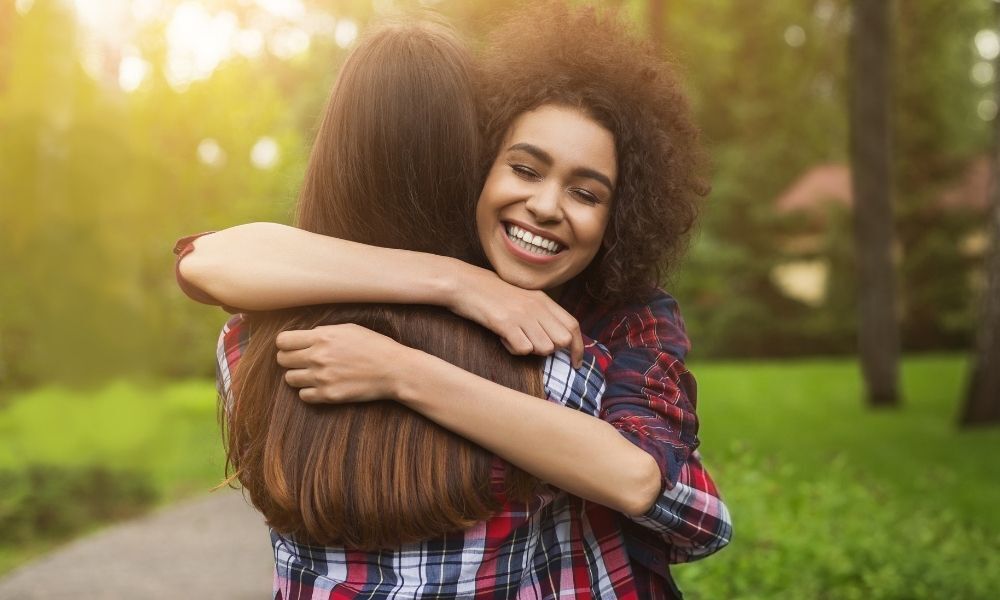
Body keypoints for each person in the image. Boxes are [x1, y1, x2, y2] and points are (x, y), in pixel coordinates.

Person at [177, 3, 732, 597]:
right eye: (524, 168)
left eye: (585, 192)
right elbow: (204, 259)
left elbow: (654, 489)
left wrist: (400, 371)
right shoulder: (564, 371)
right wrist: (461, 282)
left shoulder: (245, 348)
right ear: (475, 168)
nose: (545, 206)